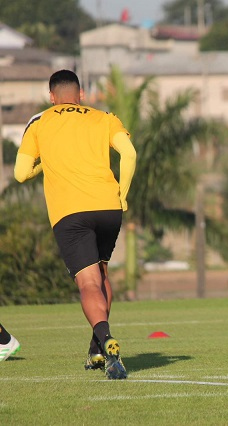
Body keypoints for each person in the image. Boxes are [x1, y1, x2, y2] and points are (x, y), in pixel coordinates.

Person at [14, 69, 136, 380]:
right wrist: (122, 193)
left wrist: (46, 162)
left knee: (88, 283)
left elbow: (20, 173)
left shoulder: (41, 122)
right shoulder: (105, 117)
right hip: (109, 207)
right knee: (102, 274)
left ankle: (107, 339)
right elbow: (129, 153)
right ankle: (96, 349)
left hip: (71, 214)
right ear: (81, 95)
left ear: (51, 97)